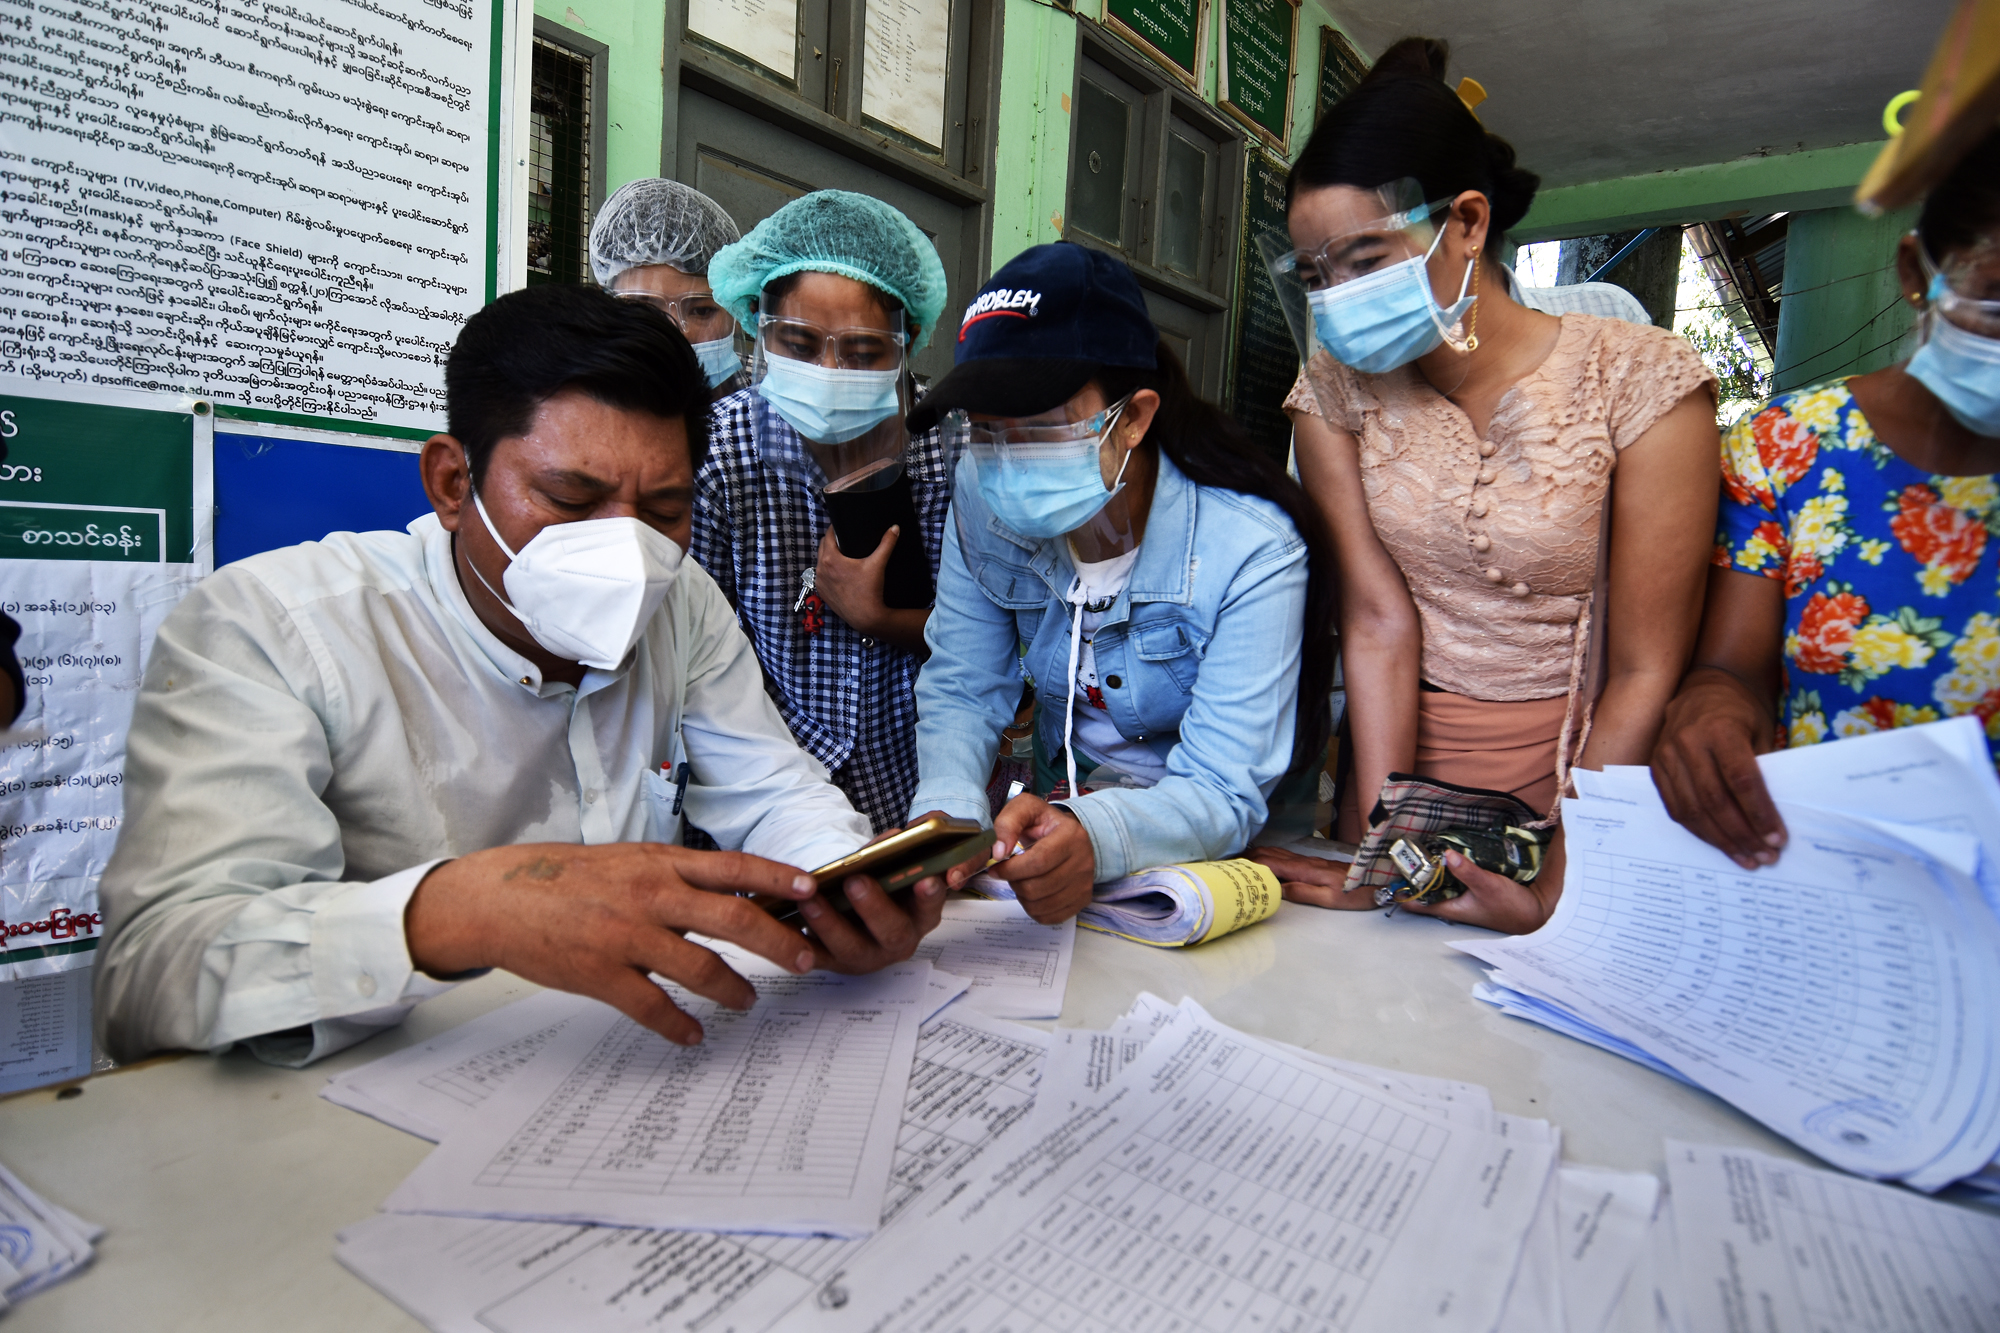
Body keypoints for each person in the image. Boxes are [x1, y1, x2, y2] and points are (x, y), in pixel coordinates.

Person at [94, 284, 942, 1066]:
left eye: (665, 509)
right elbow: (152, 971)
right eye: (571, 501)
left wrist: (850, 887)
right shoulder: (273, 628)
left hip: (609, 1072)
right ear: (453, 483)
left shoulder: (682, 601)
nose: (630, 550)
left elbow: (772, 796)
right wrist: (463, 910)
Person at [1249, 37, 1719, 933]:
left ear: (1467, 222)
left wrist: (1561, 884)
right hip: (1396, 778)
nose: (1338, 297)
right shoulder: (1334, 388)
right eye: (1314, 276)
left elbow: (1646, 667)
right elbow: (1378, 620)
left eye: (1364, 261)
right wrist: (1384, 843)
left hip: (1579, 783)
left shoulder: (1639, 377)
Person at [910, 241, 1336, 924]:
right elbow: (964, 684)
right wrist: (948, 823)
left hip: (1226, 839)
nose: (1006, 462)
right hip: (1068, 801)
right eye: (987, 431)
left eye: (1041, 428)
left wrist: (1094, 835)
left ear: (1133, 417)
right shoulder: (979, 491)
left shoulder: (1251, 548)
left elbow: (1222, 787)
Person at [1652, 127, 2000, 864]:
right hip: (1817, 873)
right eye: (1994, 298)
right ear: (1916, 270)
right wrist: (1711, 707)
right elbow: (1732, 668)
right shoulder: (1788, 447)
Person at [692, 191, 953, 833]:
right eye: (800, 343)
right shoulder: (718, 455)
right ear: (757, 325)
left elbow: (998, 647)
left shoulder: (953, 450)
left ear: (908, 340)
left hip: (922, 784)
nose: (829, 372)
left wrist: (880, 618)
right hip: (763, 797)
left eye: (863, 354)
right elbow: (695, 665)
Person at [589, 178, 748, 397]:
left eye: (702, 311)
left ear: (737, 314)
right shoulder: (579, 408)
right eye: (644, 309)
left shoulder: (777, 409)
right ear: (604, 309)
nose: (677, 333)